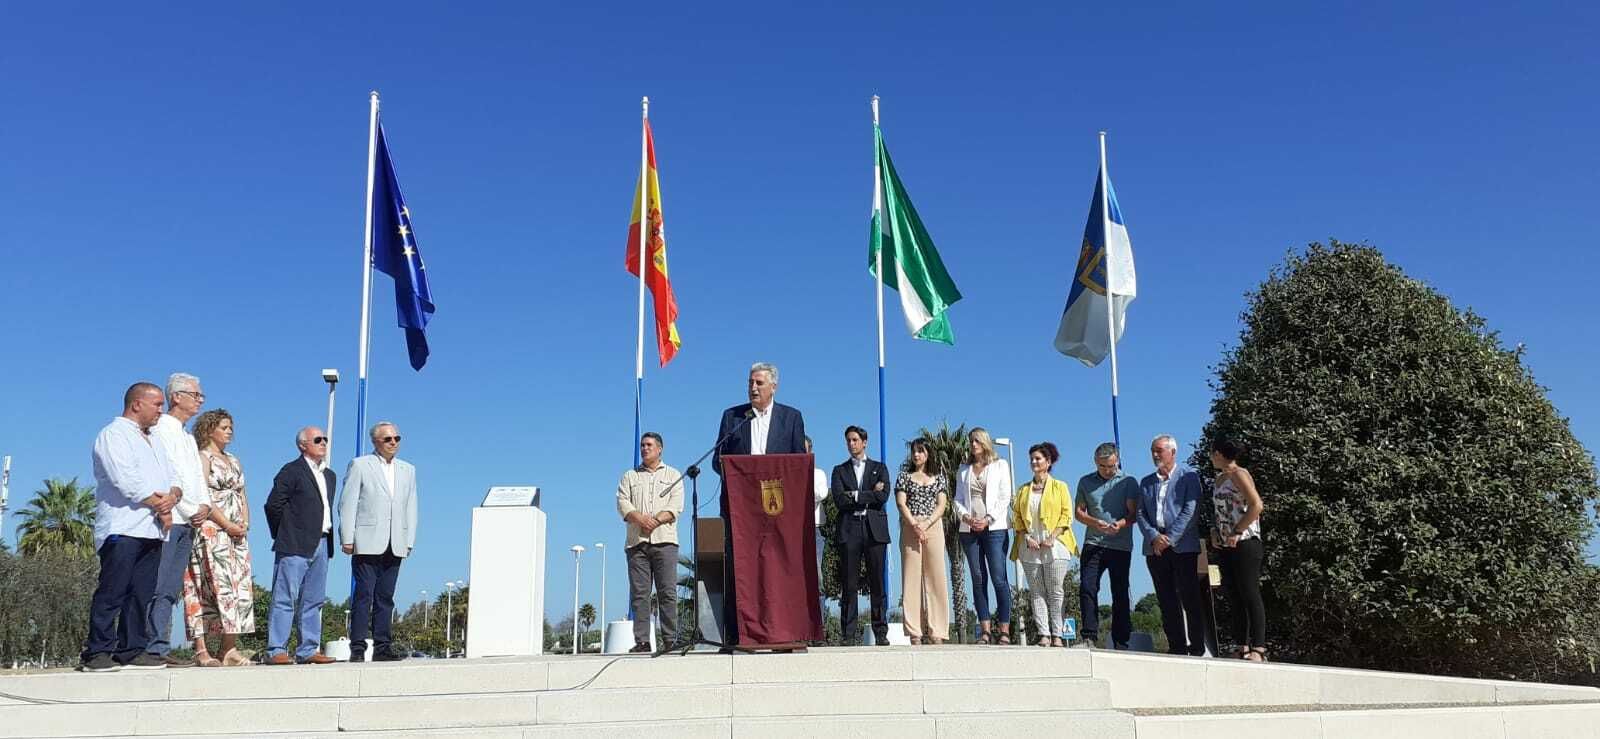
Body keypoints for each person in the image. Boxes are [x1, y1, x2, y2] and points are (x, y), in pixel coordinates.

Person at [81, 383, 178, 672]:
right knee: (113, 590)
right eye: (157, 404)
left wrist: (172, 496)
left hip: (153, 530)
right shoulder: (113, 435)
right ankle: (97, 651)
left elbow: (173, 477)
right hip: (122, 527)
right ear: (137, 404)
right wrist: (159, 503)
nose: (161, 410)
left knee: (141, 593)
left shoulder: (155, 440)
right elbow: (125, 480)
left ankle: (132, 649)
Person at [711, 362, 806, 645]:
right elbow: (719, 460)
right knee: (737, 568)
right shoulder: (733, 417)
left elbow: (797, 465)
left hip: (777, 510)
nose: (753, 387)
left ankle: (785, 633)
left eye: (759, 383)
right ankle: (735, 636)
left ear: (773, 386)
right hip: (740, 511)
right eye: (750, 382)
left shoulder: (791, 418)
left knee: (780, 568)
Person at [144, 372, 210, 667]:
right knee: (159, 584)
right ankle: (150, 645)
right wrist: (187, 508)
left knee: (171, 587)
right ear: (176, 397)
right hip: (172, 518)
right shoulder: (161, 430)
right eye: (195, 394)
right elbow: (169, 476)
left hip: (190, 520)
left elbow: (197, 475)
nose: (200, 400)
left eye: (200, 395)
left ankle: (160, 643)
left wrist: (205, 505)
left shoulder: (186, 436)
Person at [339, 422, 419, 663]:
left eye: (397, 438)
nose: (393, 442)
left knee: (386, 597)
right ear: (375, 442)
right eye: (388, 439)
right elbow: (348, 502)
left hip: (396, 542)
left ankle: (383, 647)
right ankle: (358, 648)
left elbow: (411, 506)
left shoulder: (408, 470)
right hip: (366, 541)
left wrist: (409, 539)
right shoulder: (360, 465)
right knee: (364, 595)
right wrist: (347, 537)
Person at [182, 408, 255, 667]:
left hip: (236, 535)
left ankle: (229, 648)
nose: (229, 432)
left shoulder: (234, 460)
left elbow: (242, 493)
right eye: (224, 427)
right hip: (213, 531)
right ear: (209, 429)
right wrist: (226, 523)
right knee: (206, 586)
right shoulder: (203, 458)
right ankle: (201, 649)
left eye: (230, 427)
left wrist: (244, 521)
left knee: (236, 589)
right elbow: (204, 496)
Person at [262, 426, 338, 665]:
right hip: (294, 543)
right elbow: (273, 505)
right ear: (303, 445)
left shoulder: (329, 475)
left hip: (322, 542)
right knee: (285, 598)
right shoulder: (292, 470)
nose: (323, 442)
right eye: (318, 439)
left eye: (325, 439)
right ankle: (276, 649)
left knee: (314, 599)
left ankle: (308, 649)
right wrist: (285, 533)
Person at [1136, 434, 1206, 657]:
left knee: (1190, 597)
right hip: (1155, 548)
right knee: (1166, 599)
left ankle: (1196, 647)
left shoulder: (1189, 477)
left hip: (1182, 547)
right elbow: (1140, 513)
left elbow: (1190, 511)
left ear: (1173, 452)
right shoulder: (1146, 482)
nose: (1155, 455)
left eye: (1159, 450)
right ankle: (1176, 646)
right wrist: (1154, 537)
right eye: (1152, 451)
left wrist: (1170, 539)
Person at [615, 432, 683, 653]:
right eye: (642, 445)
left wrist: (654, 520)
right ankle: (642, 641)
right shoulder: (630, 476)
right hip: (637, 543)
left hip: (665, 542)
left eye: (649, 445)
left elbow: (676, 506)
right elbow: (622, 502)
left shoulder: (673, 475)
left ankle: (670, 639)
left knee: (667, 592)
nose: (644, 448)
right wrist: (639, 518)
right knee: (640, 594)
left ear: (660, 448)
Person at [1010, 442, 1076, 647]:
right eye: (1031, 459)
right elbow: (1017, 517)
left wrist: (1052, 537)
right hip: (1030, 546)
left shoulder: (1060, 487)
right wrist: (1027, 536)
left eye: (1038, 459)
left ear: (1048, 462)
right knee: (1036, 592)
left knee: (1055, 591)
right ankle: (1043, 634)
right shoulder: (1023, 490)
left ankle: (1058, 634)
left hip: (1055, 545)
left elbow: (1067, 515)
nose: (1033, 462)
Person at [1075, 442, 1139, 650]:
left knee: (1119, 591)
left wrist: (1119, 524)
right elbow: (1079, 512)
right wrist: (1095, 523)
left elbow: (1133, 514)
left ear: (1117, 461)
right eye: (1103, 466)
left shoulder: (1128, 482)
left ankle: (1121, 641)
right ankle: (1089, 636)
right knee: (1087, 587)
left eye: (1111, 466)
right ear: (1096, 462)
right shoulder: (1085, 482)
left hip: (1120, 545)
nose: (1107, 470)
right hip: (1093, 542)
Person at [831, 426, 891, 646]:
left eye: (855, 440)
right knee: (849, 584)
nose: (851, 444)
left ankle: (880, 631)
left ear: (864, 442)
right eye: (848, 440)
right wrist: (868, 495)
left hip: (874, 528)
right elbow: (839, 499)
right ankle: (848, 634)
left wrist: (855, 495)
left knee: (877, 581)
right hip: (850, 529)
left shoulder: (879, 468)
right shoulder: (839, 470)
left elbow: (882, 496)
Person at [954, 427, 1013, 645]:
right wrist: (967, 518)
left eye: (977, 441)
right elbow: (957, 499)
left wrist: (988, 518)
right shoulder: (963, 469)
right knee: (978, 579)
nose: (973, 444)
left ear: (986, 442)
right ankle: (985, 630)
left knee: (999, 577)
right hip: (969, 530)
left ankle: (1004, 629)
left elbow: (1005, 496)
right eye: (971, 441)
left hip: (994, 528)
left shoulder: (1000, 465)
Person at [1210, 438, 1267, 662]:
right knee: (1233, 594)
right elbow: (1220, 510)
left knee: (1249, 592)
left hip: (1245, 541)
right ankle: (1240, 645)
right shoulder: (1218, 479)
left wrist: (1237, 530)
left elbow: (1256, 505)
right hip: (1225, 543)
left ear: (1219, 454)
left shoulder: (1239, 474)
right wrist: (1216, 531)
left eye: (1213, 453)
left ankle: (1260, 647)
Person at [894, 437, 949, 645]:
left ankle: (938, 630)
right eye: (914, 451)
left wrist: (926, 523)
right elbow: (901, 503)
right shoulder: (904, 477)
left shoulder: (939, 478)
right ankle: (914, 631)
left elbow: (941, 505)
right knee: (911, 578)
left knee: (936, 578)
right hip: (910, 528)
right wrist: (915, 524)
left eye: (920, 451)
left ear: (928, 454)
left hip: (933, 527)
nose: (916, 455)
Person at [806, 436, 828, 620]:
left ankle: (818, 624)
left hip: (814, 528)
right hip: (791, 530)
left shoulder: (818, 473)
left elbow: (821, 494)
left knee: (817, 576)